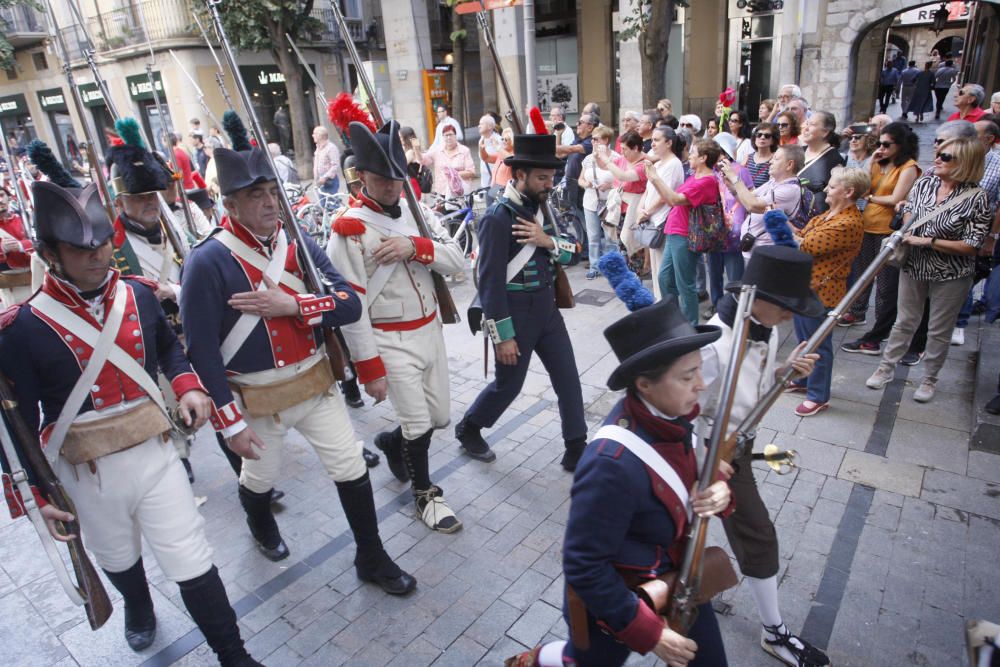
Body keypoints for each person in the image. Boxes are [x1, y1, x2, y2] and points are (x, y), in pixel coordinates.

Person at [0, 175, 261, 665]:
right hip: (84, 471)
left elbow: (168, 349)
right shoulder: (22, 329)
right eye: (81, 249)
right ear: (51, 254)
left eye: (101, 243)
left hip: (156, 452)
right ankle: (138, 605)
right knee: (117, 557)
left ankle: (235, 656)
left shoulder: (139, 296)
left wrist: (186, 385)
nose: (97, 255)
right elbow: (17, 427)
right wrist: (35, 494)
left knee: (192, 558)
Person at [181, 124, 416, 600]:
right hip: (258, 396)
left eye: (272, 191)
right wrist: (230, 426)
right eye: (255, 195)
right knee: (260, 478)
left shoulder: (295, 243)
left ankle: (371, 555)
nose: (270, 203)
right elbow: (201, 351)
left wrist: (297, 306)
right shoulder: (205, 262)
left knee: (351, 467)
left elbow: (350, 302)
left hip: (314, 382)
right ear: (229, 205)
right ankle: (257, 517)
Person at [504, 295, 732, 667]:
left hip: (679, 576)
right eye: (688, 376)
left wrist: (721, 491)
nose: (701, 385)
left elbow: (701, 475)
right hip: (618, 598)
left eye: (699, 371)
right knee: (580, 661)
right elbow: (583, 565)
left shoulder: (678, 415)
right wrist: (651, 633)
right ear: (644, 384)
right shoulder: (611, 464)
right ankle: (534, 661)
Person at [328, 120, 467, 533]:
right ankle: (425, 495)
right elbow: (350, 309)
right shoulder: (347, 231)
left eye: (397, 177)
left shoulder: (415, 212)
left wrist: (416, 247)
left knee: (439, 417)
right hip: (388, 338)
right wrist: (368, 368)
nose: (392, 185)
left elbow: (457, 260)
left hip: (430, 331)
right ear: (363, 177)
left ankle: (392, 443)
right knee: (420, 425)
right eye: (382, 178)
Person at [700, 246, 829, 667]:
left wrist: (784, 370)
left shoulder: (765, 326)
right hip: (706, 456)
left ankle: (770, 628)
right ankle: (772, 632)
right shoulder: (712, 345)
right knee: (750, 534)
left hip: (738, 447)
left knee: (751, 534)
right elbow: (680, 412)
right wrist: (706, 462)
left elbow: (752, 385)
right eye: (787, 306)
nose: (792, 316)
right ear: (758, 299)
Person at [454, 134, 586, 471]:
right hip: (514, 314)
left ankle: (576, 446)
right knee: (508, 386)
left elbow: (575, 251)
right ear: (519, 176)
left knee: (569, 380)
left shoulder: (544, 208)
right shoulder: (497, 218)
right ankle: (469, 427)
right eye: (542, 178)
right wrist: (503, 336)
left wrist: (547, 240)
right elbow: (490, 283)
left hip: (547, 309)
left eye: (551, 177)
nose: (548, 184)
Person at [866, 136, 991, 403]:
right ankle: (885, 367)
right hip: (913, 264)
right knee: (904, 321)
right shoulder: (925, 183)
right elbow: (910, 210)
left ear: (965, 163)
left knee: (938, 329)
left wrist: (928, 240)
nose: (937, 158)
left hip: (951, 273)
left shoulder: (977, 197)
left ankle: (929, 379)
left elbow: (972, 245)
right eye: (939, 152)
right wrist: (910, 228)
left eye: (946, 157)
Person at [784, 168, 867, 416]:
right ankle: (803, 379)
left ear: (849, 191)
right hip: (805, 284)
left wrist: (787, 230)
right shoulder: (831, 214)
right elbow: (803, 233)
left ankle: (818, 395)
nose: (826, 190)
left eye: (831, 187)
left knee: (818, 344)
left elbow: (807, 243)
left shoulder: (848, 222)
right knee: (804, 340)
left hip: (823, 290)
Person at [839, 123, 921, 351]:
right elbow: (860, 185)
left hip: (888, 231)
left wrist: (871, 196)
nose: (881, 148)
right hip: (867, 225)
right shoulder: (878, 163)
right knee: (864, 274)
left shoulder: (909, 167)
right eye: (880, 143)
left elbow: (896, 198)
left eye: (886, 144)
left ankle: (880, 331)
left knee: (885, 285)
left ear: (900, 145)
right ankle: (857, 313)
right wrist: (872, 161)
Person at [650, 138, 724, 325]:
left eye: (693, 152)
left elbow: (674, 199)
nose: (689, 155)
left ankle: (690, 324)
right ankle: (673, 317)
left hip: (685, 235)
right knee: (665, 277)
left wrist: (654, 177)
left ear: (703, 158)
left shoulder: (707, 181)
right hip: (675, 231)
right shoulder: (695, 175)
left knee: (685, 283)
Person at [951, 119, 1000, 345]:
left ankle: (959, 322)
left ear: (989, 139)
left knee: (965, 272)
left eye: (974, 134)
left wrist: (991, 237)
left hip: (978, 227)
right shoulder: (961, 157)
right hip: (951, 223)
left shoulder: (997, 164)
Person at [724, 145, 805, 261]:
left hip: (767, 254)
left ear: (789, 165)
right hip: (755, 250)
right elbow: (747, 198)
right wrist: (731, 186)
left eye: (776, 159)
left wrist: (734, 178)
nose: (771, 161)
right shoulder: (773, 181)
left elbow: (752, 205)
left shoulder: (790, 190)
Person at [631, 126, 685, 298]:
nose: (652, 144)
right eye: (652, 140)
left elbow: (665, 194)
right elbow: (648, 189)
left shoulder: (674, 164)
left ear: (669, 143)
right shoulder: (659, 162)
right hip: (651, 218)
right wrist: (641, 209)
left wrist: (646, 212)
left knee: (663, 271)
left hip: (663, 220)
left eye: (657, 140)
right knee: (656, 267)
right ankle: (659, 301)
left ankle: (666, 304)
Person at [708, 134, 750, 312]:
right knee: (714, 270)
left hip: (734, 227)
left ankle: (735, 306)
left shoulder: (740, 170)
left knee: (734, 273)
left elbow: (748, 197)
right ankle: (717, 304)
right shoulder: (710, 171)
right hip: (712, 227)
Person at [597, 130, 648, 261]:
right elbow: (604, 166)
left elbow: (623, 176)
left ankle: (635, 278)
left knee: (633, 248)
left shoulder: (644, 164)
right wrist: (598, 153)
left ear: (636, 148)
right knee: (621, 247)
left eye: (625, 149)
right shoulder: (623, 159)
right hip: (620, 210)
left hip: (634, 211)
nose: (622, 152)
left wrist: (605, 159)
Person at [579, 125, 618, 278]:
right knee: (593, 237)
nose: (593, 142)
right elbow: (580, 179)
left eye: (596, 139)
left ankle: (612, 267)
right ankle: (594, 266)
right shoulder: (588, 159)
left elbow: (623, 179)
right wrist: (585, 184)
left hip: (609, 202)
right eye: (592, 139)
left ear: (606, 140)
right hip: (590, 201)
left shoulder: (616, 158)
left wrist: (610, 185)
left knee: (610, 237)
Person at [798, 111, 846, 215]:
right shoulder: (798, 151)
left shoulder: (834, 160)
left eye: (812, 125)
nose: (806, 128)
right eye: (807, 123)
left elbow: (836, 198)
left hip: (814, 219)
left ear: (825, 132)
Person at [417, 124, 476, 198]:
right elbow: (422, 160)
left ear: (455, 136)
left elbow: (471, 172)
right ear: (443, 137)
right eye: (446, 135)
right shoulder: (437, 150)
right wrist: (416, 148)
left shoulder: (464, 151)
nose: (448, 138)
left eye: (450, 135)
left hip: (462, 192)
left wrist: (454, 175)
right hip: (443, 192)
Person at [0, 185, 33, 307]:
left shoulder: (23, 217)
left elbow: (39, 241)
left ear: (9, 198)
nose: (0, 200)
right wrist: (2, 249)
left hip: (35, 276)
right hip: (12, 284)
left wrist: (20, 245)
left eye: (2, 195)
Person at [557, 112, 597, 213]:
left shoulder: (591, 141)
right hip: (571, 184)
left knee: (581, 217)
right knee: (574, 217)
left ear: (590, 127)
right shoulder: (578, 140)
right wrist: (558, 134)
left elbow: (570, 149)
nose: (577, 124)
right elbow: (560, 154)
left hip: (581, 186)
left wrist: (544, 144)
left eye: (580, 122)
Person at [844, 128, 877, 211]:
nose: (853, 140)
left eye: (857, 137)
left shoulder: (874, 160)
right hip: (843, 207)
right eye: (850, 138)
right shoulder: (843, 158)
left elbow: (865, 189)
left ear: (868, 139)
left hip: (863, 210)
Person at [311, 125, 341, 206]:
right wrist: (316, 179)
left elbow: (335, 165)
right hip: (320, 181)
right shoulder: (318, 148)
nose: (312, 135)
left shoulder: (331, 148)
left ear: (320, 136)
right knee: (323, 206)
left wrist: (325, 177)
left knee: (332, 206)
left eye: (314, 134)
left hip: (330, 181)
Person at [743, 122, 779, 188]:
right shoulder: (747, 157)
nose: (762, 137)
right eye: (759, 135)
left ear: (773, 140)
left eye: (767, 136)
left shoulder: (775, 159)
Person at [477, 114, 504, 188]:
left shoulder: (498, 140)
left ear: (489, 126)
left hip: (497, 183)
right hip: (485, 182)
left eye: (481, 124)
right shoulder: (481, 140)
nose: (479, 126)